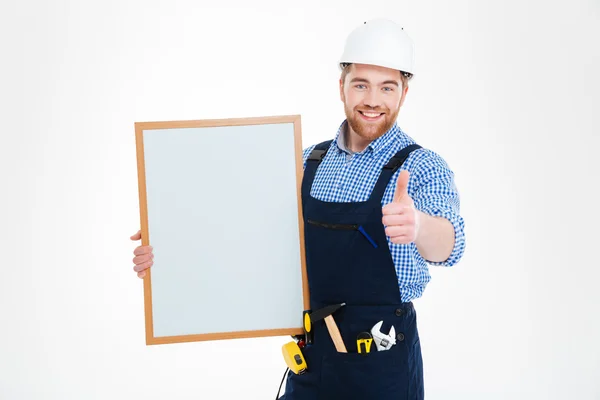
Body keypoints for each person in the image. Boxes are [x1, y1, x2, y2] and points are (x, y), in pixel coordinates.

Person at [130, 18, 465, 399]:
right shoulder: (306, 162)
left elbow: (451, 245)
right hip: (310, 365)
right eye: (361, 85)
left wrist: (418, 226)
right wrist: (171, 235)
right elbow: (249, 234)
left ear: (403, 93)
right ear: (342, 87)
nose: (373, 99)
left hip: (382, 369)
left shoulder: (421, 166)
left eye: (386, 87)